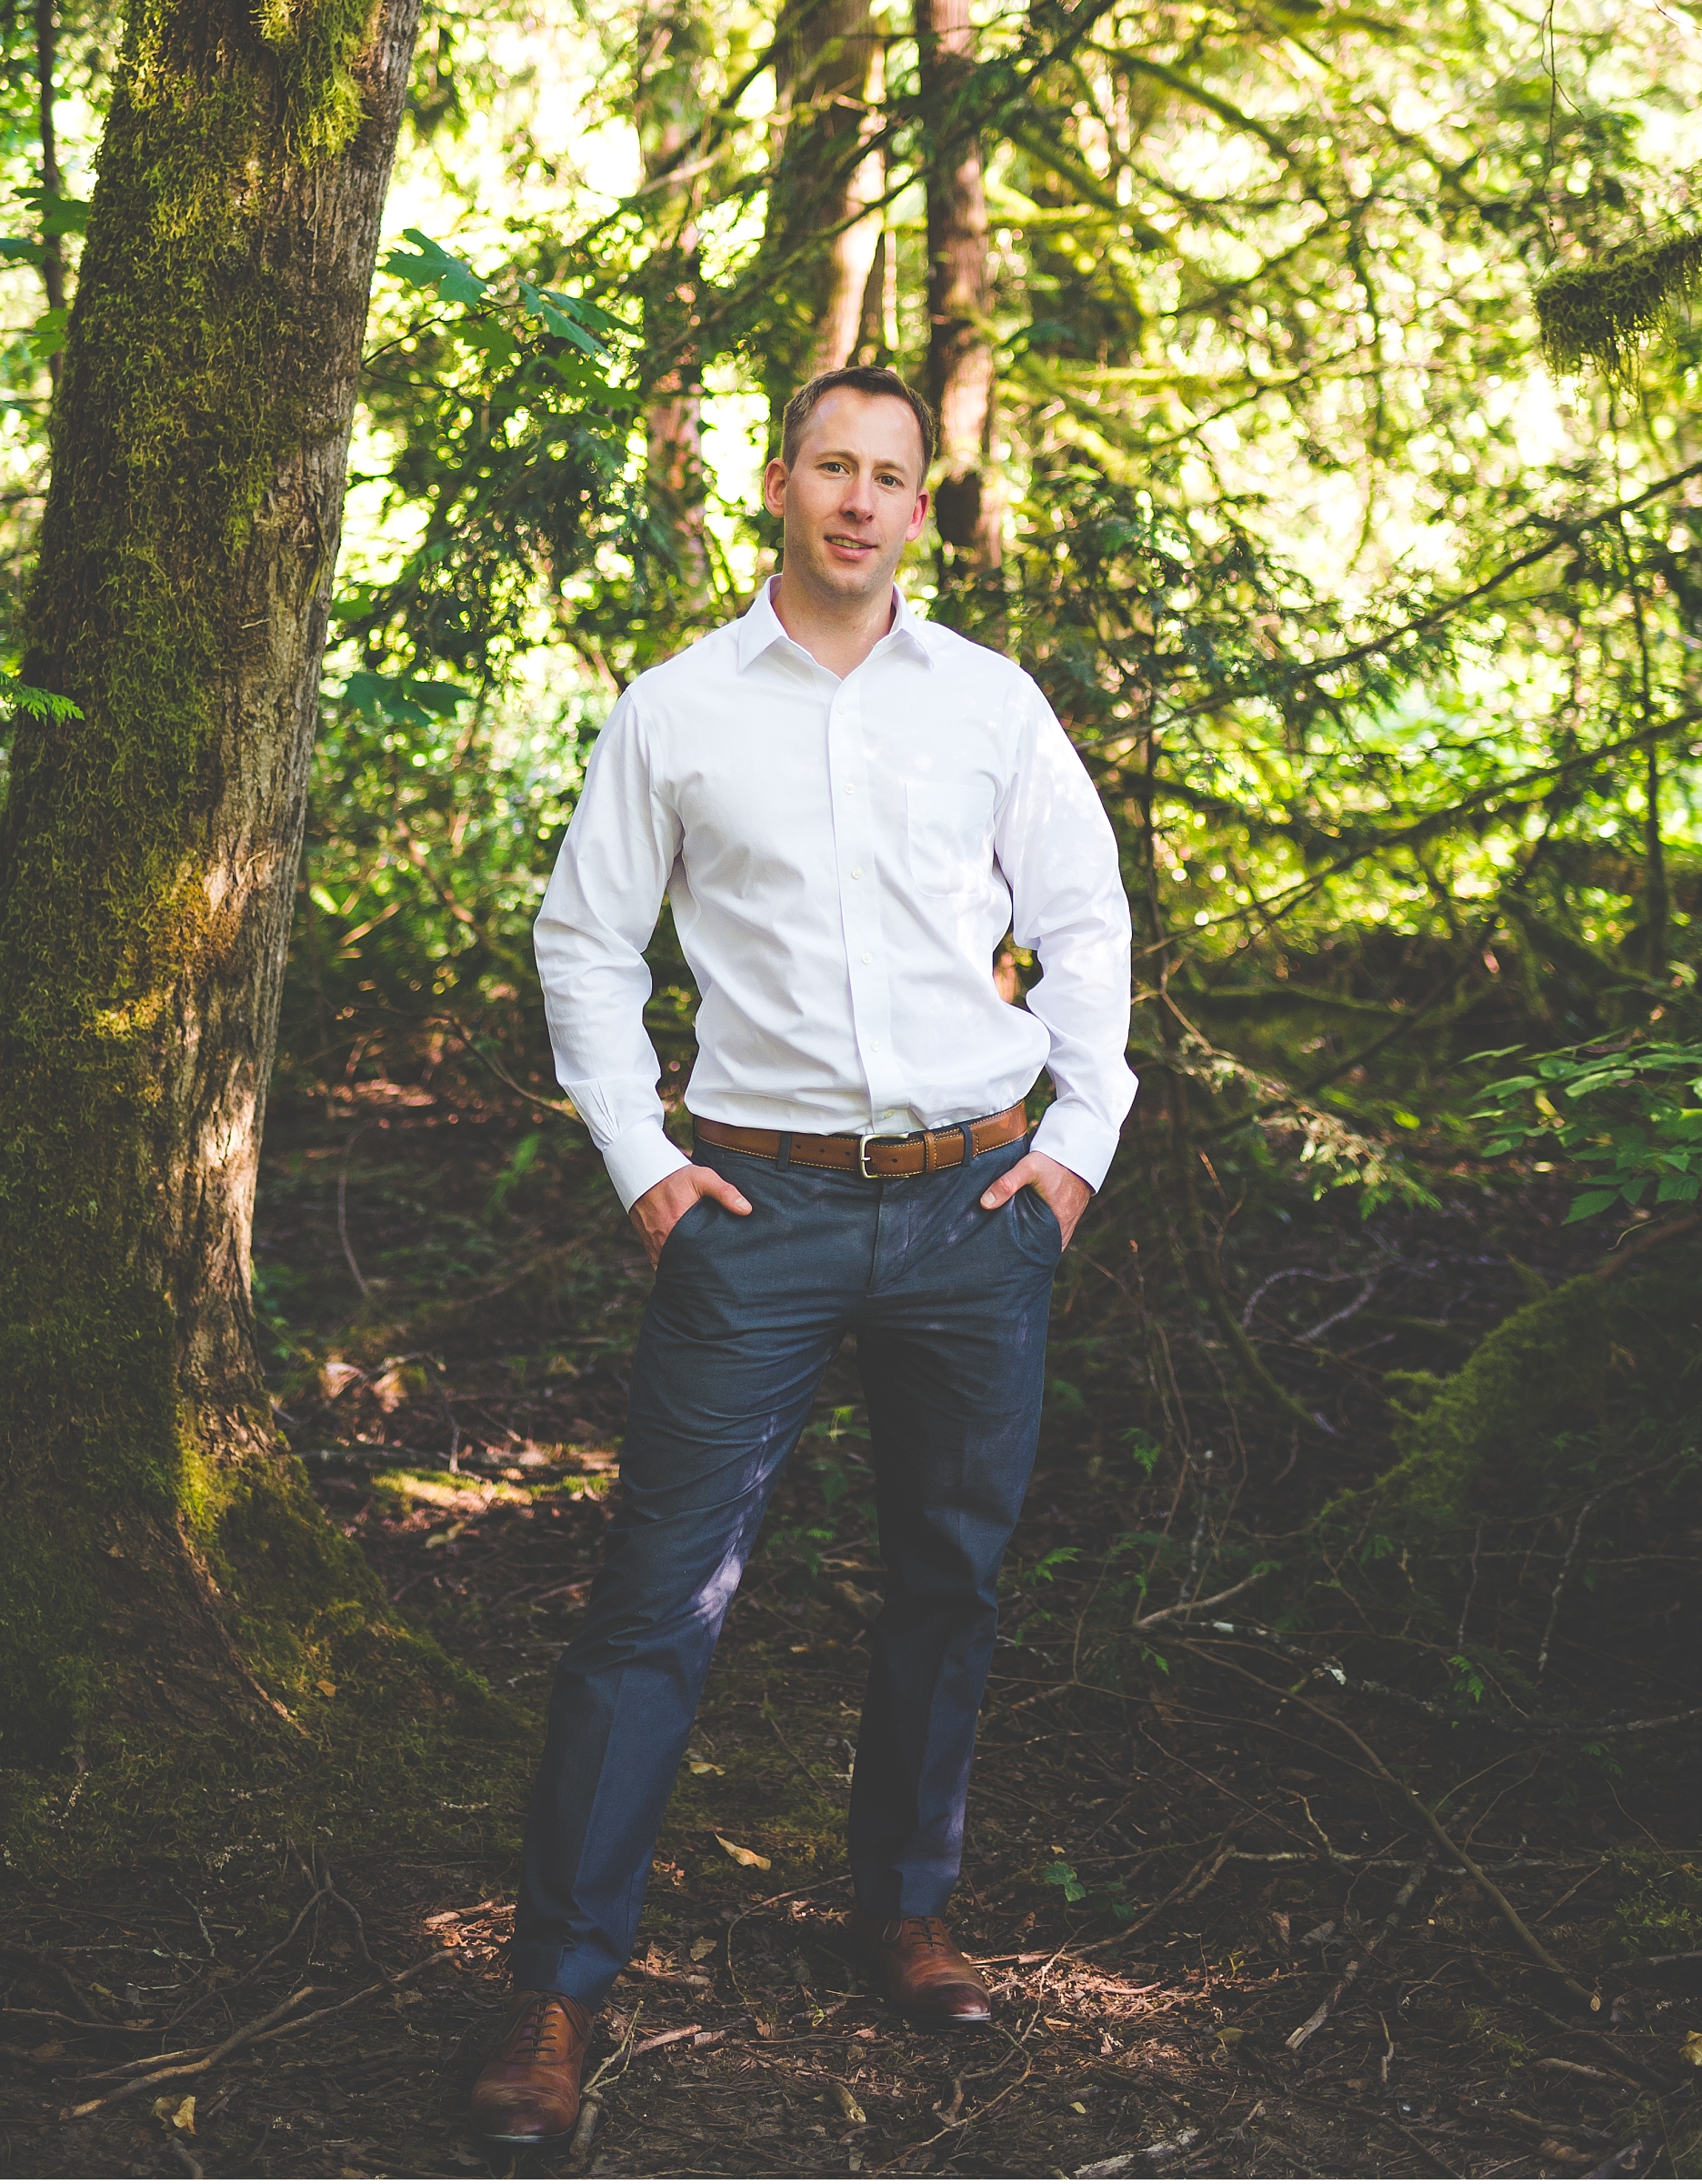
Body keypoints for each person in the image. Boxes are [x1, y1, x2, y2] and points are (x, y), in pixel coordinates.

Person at [466, 365, 1134, 2145]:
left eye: (890, 473)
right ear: (779, 483)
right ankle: (556, 1989)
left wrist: (1074, 1151)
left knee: (951, 1576)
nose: (858, 497)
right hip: (750, 1220)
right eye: (831, 464)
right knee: (650, 1604)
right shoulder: (679, 709)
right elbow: (584, 940)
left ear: (926, 505)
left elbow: (1085, 923)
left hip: (972, 1210)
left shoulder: (991, 707)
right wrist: (643, 1162)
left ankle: (903, 1912)